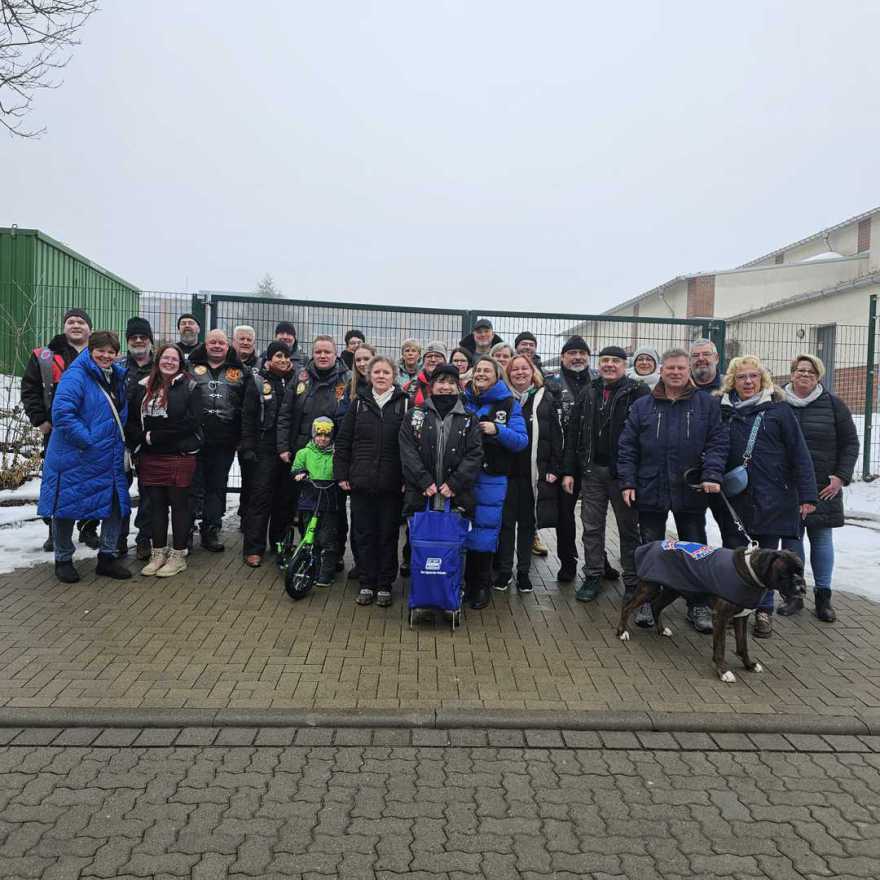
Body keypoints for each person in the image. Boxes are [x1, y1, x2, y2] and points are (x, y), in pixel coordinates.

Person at [617, 348, 729, 632]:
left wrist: (711, 474)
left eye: (681, 368)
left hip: (691, 489)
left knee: (695, 549)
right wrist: (628, 482)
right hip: (650, 486)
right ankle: (647, 602)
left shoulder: (706, 404)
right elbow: (628, 447)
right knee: (651, 549)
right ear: (662, 371)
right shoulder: (642, 406)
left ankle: (698, 604)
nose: (676, 372)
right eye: (670, 368)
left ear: (688, 370)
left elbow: (718, 442)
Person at [718, 356, 818, 639]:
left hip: (774, 498)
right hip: (736, 499)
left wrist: (808, 495)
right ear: (732, 381)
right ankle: (735, 609)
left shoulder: (779, 412)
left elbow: (800, 454)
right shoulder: (723, 412)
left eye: (753, 376)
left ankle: (764, 611)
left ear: (762, 379)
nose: (748, 382)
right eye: (741, 377)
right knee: (735, 557)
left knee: (769, 562)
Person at [37, 331, 132, 583]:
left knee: (115, 504)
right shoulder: (76, 375)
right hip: (76, 454)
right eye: (101, 350)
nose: (106, 355)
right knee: (66, 507)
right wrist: (88, 441)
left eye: (111, 351)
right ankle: (63, 559)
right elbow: (62, 414)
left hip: (108, 454)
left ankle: (107, 557)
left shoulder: (116, 377)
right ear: (90, 350)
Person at [561, 345, 649, 603]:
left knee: (628, 529)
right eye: (605, 360)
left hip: (624, 475)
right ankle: (593, 575)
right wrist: (569, 471)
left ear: (625, 365)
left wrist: (636, 474)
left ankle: (632, 581)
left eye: (616, 361)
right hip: (592, 472)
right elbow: (574, 432)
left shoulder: (638, 392)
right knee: (591, 527)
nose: (610, 364)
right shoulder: (588, 391)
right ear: (598, 364)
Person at [780, 354, 859, 623]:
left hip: (823, 486)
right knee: (791, 541)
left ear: (819, 377)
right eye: (800, 370)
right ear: (792, 373)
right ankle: (795, 595)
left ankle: (823, 597)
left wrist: (840, 477)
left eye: (811, 371)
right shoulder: (777, 402)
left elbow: (850, 443)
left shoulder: (834, 405)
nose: (805, 374)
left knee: (821, 539)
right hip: (787, 486)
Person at [400, 363, 484, 593]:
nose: (445, 387)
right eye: (440, 381)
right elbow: (407, 451)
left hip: (456, 497)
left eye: (451, 382)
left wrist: (455, 484)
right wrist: (423, 481)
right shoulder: (414, 415)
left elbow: (475, 454)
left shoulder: (469, 418)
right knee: (420, 547)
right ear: (431, 385)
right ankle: (422, 594)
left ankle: (452, 594)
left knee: (455, 548)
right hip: (421, 496)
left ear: (458, 386)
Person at [334, 355, 409, 607]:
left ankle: (385, 584)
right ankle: (366, 583)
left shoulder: (404, 405)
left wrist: (406, 479)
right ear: (369, 376)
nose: (381, 376)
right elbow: (344, 441)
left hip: (391, 484)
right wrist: (342, 473)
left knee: (387, 535)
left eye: (386, 372)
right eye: (376, 372)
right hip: (361, 483)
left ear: (394, 376)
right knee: (363, 534)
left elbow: (411, 446)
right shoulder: (358, 404)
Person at [21, 308, 95, 552]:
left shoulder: (100, 355)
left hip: (91, 431)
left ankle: (88, 527)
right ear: (64, 327)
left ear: (90, 329)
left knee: (90, 480)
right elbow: (30, 389)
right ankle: (56, 532)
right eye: (71, 321)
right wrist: (39, 420)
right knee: (58, 483)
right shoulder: (44, 356)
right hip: (57, 432)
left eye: (81, 322)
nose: (76, 325)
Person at [126, 343, 202, 578]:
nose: (169, 362)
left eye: (174, 359)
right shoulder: (142, 386)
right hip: (151, 456)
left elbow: (192, 422)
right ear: (158, 360)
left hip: (179, 455)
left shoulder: (190, 387)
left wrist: (157, 436)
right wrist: (142, 438)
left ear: (180, 363)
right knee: (156, 505)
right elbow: (132, 420)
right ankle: (157, 553)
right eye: (165, 358)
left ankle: (178, 555)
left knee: (179, 506)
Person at [462, 357, 528, 609]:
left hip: (492, 477)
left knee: (485, 531)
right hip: (463, 477)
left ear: (497, 376)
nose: (481, 374)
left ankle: (481, 586)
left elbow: (521, 441)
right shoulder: (463, 400)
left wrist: (497, 430)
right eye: (478, 370)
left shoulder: (509, 404)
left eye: (487, 371)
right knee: (463, 529)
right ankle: (465, 584)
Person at [494, 355, 562, 593]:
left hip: (533, 473)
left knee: (527, 524)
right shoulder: (501, 399)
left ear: (532, 372)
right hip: (505, 473)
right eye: (515, 369)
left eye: (525, 368)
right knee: (505, 525)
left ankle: (523, 572)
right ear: (508, 374)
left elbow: (556, 436)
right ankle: (504, 571)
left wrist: (553, 468)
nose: (520, 373)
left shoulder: (546, 398)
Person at [545, 335, 607, 582]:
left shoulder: (601, 381)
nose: (578, 357)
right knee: (565, 516)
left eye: (582, 353)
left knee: (596, 516)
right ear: (563, 357)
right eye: (572, 353)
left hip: (594, 460)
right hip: (563, 461)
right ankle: (568, 562)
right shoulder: (551, 383)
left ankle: (600, 560)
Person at [188, 329, 247, 552]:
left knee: (217, 486)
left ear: (227, 346)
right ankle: (186, 530)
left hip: (224, 440)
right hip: (194, 438)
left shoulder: (240, 371)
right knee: (192, 485)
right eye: (212, 342)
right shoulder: (190, 367)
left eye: (221, 343)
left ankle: (211, 530)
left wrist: (241, 436)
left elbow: (246, 405)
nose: (216, 346)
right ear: (205, 344)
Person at [240, 341, 296, 567]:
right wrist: (248, 446)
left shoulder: (296, 380)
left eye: (286, 356)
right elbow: (247, 416)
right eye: (278, 356)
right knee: (260, 498)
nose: (283, 360)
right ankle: (253, 548)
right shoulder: (258, 381)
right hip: (264, 447)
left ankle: (280, 543)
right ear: (269, 358)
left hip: (288, 449)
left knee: (285, 500)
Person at [118, 317, 155, 561]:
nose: (139, 341)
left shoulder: (160, 367)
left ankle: (144, 539)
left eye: (143, 337)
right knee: (119, 491)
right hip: (120, 440)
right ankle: (118, 538)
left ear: (150, 340)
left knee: (149, 494)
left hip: (150, 442)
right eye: (134, 337)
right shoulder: (118, 367)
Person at [291, 417, 339, 587]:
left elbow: (341, 470)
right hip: (309, 500)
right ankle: (311, 568)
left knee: (327, 538)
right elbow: (296, 468)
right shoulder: (304, 453)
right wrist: (300, 474)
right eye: (319, 435)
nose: (322, 439)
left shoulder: (335, 454)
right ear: (313, 435)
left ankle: (326, 573)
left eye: (327, 436)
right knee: (309, 536)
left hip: (328, 501)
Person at [338, 343, 377, 420]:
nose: (362, 364)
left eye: (366, 359)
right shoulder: (350, 385)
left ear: (375, 360)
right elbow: (341, 416)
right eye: (358, 360)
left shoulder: (387, 384)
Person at [403, 341, 447, 406]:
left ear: (445, 361)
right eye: (429, 356)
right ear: (423, 361)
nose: (433, 360)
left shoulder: (454, 385)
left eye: (437, 356)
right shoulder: (409, 387)